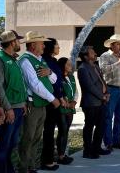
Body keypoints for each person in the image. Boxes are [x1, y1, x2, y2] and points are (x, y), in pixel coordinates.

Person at [18, 31, 61, 173]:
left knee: (36, 137)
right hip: (33, 105)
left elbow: (54, 79)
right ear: (32, 45)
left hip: (41, 104)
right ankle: (24, 168)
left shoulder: (40, 59)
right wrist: (53, 99)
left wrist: (49, 72)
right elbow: (34, 85)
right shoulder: (25, 61)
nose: (44, 45)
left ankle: (31, 166)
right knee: (28, 138)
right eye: (41, 43)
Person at [0, 30, 26, 173]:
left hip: (19, 107)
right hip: (10, 110)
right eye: (18, 40)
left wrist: (23, 103)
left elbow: (19, 83)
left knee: (12, 144)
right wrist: (7, 108)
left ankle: (9, 169)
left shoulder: (13, 59)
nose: (19, 43)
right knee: (3, 145)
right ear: (12, 42)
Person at [77, 46, 111, 159]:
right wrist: (102, 96)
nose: (95, 53)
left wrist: (107, 92)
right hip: (91, 103)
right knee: (89, 127)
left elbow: (102, 81)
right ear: (86, 56)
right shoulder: (82, 69)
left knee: (101, 126)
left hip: (101, 102)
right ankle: (87, 151)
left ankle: (97, 148)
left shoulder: (95, 66)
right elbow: (89, 87)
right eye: (92, 53)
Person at [41, 38, 70, 169]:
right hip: (50, 101)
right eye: (57, 46)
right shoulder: (45, 61)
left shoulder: (53, 61)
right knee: (48, 131)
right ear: (51, 47)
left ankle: (56, 156)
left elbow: (58, 81)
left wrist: (62, 96)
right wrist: (57, 97)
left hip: (57, 99)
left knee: (55, 129)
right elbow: (50, 82)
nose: (59, 48)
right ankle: (47, 161)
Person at [99, 34, 120, 150]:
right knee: (108, 116)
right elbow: (103, 70)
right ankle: (108, 142)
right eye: (118, 43)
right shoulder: (105, 56)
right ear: (112, 45)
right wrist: (118, 62)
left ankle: (117, 140)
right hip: (111, 89)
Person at [56, 57, 78, 164]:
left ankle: (63, 154)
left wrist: (74, 102)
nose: (71, 66)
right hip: (62, 108)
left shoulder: (71, 77)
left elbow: (76, 91)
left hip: (70, 108)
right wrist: (66, 103)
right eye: (68, 64)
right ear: (62, 65)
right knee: (62, 131)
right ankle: (60, 156)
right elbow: (57, 92)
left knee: (66, 131)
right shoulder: (58, 77)